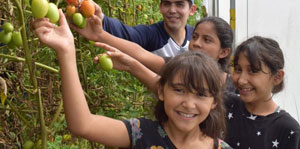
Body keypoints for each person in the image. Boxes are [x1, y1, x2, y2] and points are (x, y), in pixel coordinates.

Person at [32, 10, 232, 149]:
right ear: (161, 90)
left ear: (214, 101)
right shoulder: (140, 133)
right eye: (179, 90)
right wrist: (66, 51)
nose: (188, 104)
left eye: (200, 94)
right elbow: (82, 124)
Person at [93, 16, 235, 93]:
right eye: (195, 36)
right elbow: (141, 54)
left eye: (207, 40)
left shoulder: (234, 88)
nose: (196, 43)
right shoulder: (180, 67)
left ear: (224, 52)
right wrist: (100, 34)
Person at [71, 0, 197, 57]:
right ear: (160, 7)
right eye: (167, 4)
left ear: (192, 10)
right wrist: (102, 19)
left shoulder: (196, 37)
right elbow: (126, 33)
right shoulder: (151, 34)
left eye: (179, 4)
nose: (172, 10)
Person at [225, 36, 300, 148]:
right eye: (238, 69)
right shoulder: (224, 105)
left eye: (253, 71)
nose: (241, 80)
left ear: (277, 77)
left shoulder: (287, 129)